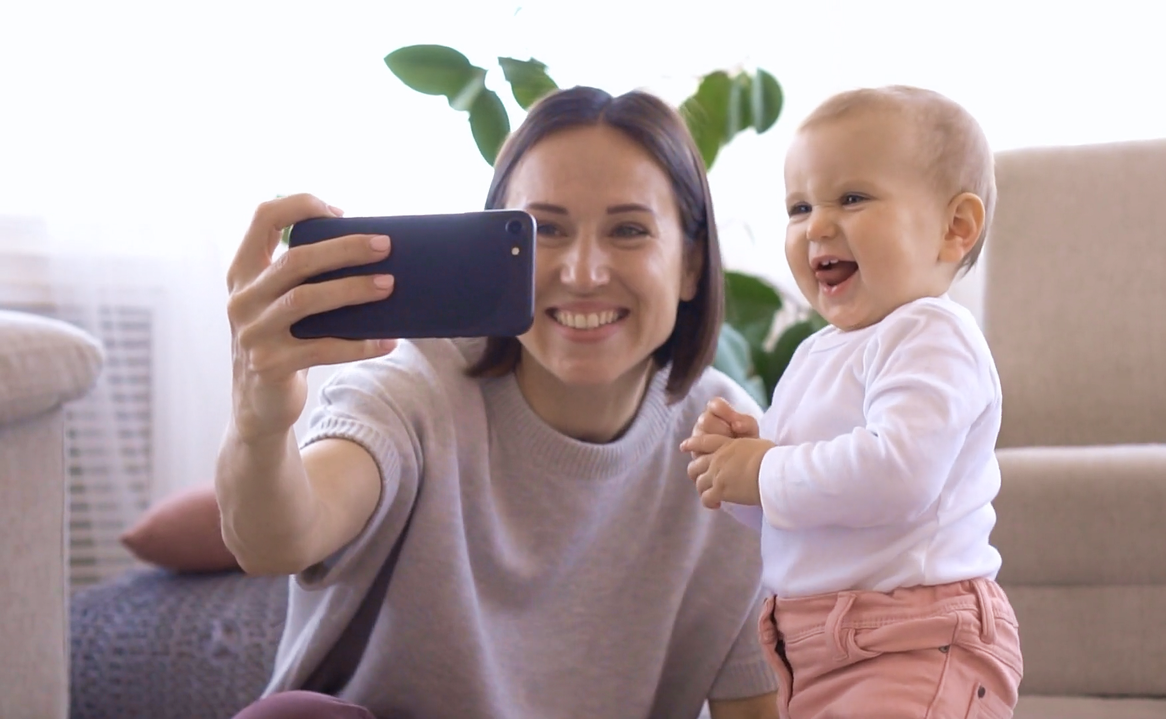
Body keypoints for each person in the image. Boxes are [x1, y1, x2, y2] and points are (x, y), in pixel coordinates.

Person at [219, 86, 778, 719]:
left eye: (628, 230)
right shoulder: (415, 391)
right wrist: (259, 419)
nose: (584, 271)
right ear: (494, 251)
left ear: (691, 266)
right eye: (544, 231)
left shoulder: (730, 446)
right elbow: (277, 539)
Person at [679, 86, 1024, 718]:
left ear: (955, 228)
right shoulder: (818, 354)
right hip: (814, 648)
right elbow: (800, 511)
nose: (817, 225)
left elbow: (896, 475)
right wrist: (736, 471)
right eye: (800, 206)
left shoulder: (931, 335)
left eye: (853, 198)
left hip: (914, 639)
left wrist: (765, 469)